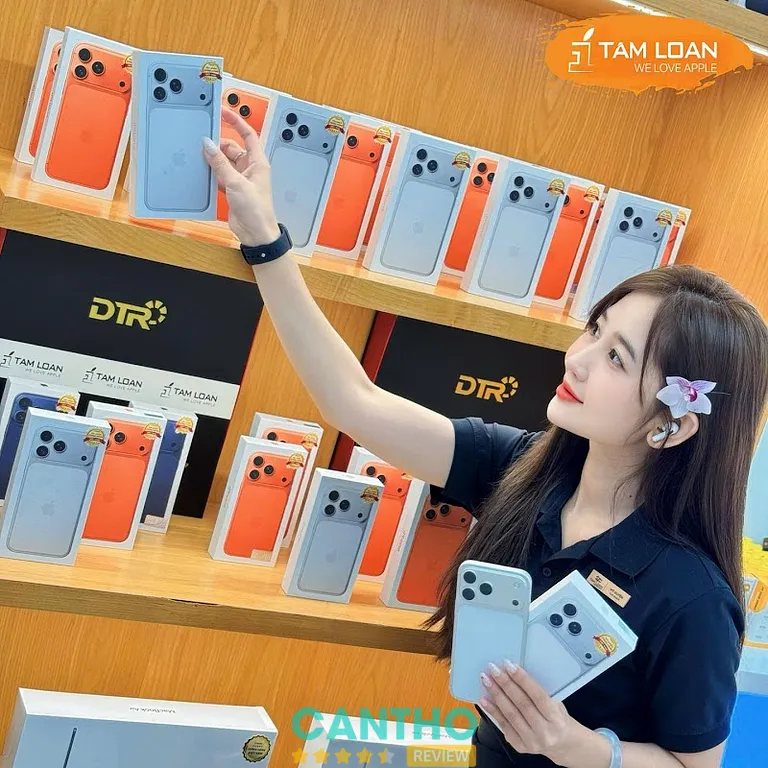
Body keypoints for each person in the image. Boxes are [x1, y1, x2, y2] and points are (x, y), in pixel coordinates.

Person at [201, 112, 768, 768]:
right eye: (594, 329)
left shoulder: (692, 595)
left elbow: (695, 765)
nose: (578, 359)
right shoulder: (523, 468)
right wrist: (265, 239)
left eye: (617, 358)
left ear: (673, 424)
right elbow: (354, 403)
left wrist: (579, 747)